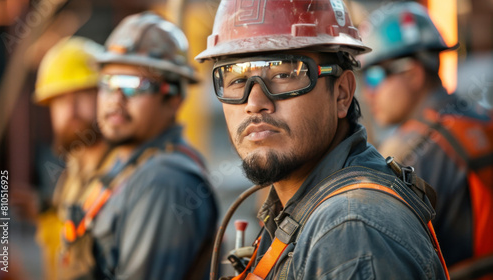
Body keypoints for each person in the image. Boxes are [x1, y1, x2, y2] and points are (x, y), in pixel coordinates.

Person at [196, 0, 449, 279]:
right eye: (236, 79)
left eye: (283, 74)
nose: (255, 102)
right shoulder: (301, 206)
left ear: (341, 94)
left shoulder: (352, 232)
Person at [58, 12, 219, 280]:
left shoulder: (165, 182)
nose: (115, 100)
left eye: (132, 85)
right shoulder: (127, 163)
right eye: (108, 83)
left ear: (174, 98)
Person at [359, 2, 493, 277]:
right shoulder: (481, 118)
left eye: (373, 77)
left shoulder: (412, 151)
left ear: (412, 73)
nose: (368, 92)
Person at [27, 36, 111, 280]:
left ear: (104, 94)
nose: (71, 108)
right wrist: (46, 213)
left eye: (83, 94)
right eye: (61, 100)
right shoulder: (72, 173)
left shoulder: (125, 170)